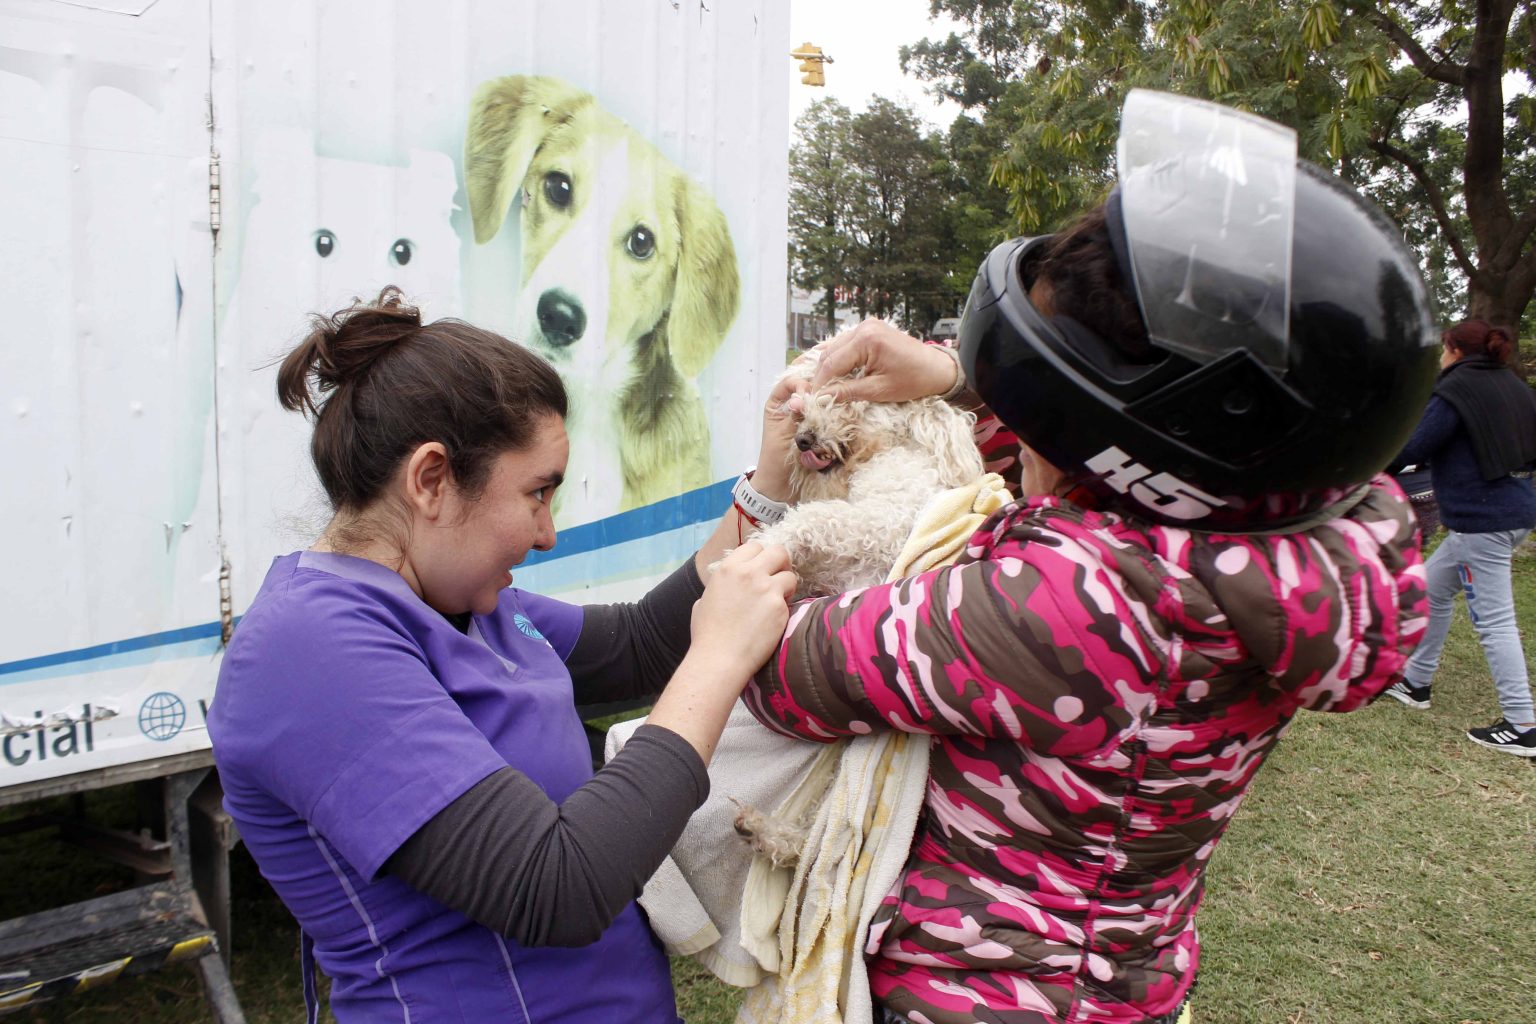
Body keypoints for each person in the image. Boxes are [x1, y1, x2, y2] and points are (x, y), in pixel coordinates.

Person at [738, 91, 1440, 1024]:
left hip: (976, 997)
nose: (1026, 418)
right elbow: (1126, 465)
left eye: (1048, 387)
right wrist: (960, 375)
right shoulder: (1285, 548)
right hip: (1119, 976)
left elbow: (780, 670)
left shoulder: (1070, 608)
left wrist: (764, 497)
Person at [206, 286, 801, 1022]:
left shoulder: (465, 607)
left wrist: (771, 485)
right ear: (431, 480)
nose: (547, 533)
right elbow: (556, 887)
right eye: (537, 493)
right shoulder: (307, 650)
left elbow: (643, 643)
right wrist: (718, 661)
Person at [1380, 319, 1536, 755]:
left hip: (1482, 521)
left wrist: (1369, 465)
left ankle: (1522, 723)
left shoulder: (1457, 388)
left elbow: (1413, 446)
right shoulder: (1515, 388)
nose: (1441, 357)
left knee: (1494, 621)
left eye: (1444, 349)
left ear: (1455, 350)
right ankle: (1415, 682)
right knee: (1432, 589)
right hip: (1516, 511)